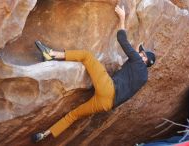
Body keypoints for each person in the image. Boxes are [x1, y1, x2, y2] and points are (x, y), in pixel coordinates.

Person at [31, 4, 156, 143]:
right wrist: (139, 50)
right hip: (106, 104)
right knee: (74, 115)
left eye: (141, 53)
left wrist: (122, 18)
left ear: (144, 57)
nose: (138, 53)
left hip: (108, 89)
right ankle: (44, 134)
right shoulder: (144, 77)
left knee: (86, 56)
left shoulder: (138, 61)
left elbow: (122, 40)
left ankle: (51, 54)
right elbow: (132, 67)